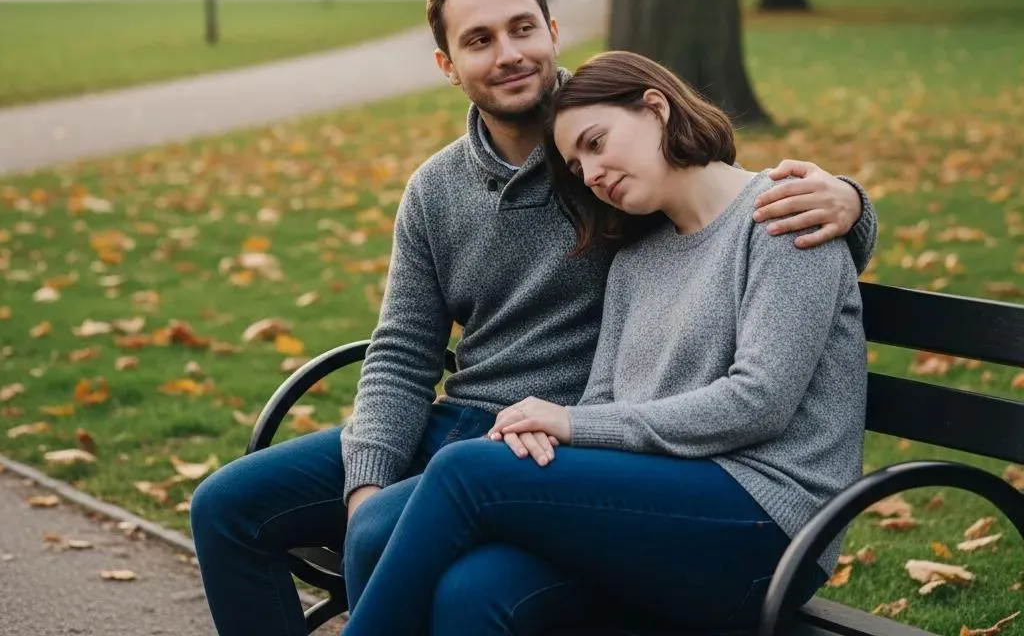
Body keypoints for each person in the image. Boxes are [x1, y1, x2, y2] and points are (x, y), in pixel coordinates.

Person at [189, 0, 876, 636]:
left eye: (522, 28)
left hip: (598, 455)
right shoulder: (471, 193)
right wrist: (369, 482)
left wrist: (848, 201)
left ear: (553, 32)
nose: (589, 173)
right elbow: (400, 351)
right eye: (479, 40)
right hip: (501, 431)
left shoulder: (625, 154)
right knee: (238, 509)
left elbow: (728, 204)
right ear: (448, 66)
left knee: (457, 506)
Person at [341, 49, 867, 636]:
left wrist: (568, 424)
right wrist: (547, 433)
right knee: (470, 585)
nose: (590, 175)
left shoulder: (786, 214)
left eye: (596, 143)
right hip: (653, 507)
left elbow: (759, 402)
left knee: (465, 472)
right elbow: (602, 397)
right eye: (575, 165)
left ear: (655, 108)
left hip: (766, 524)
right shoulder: (636, 260)